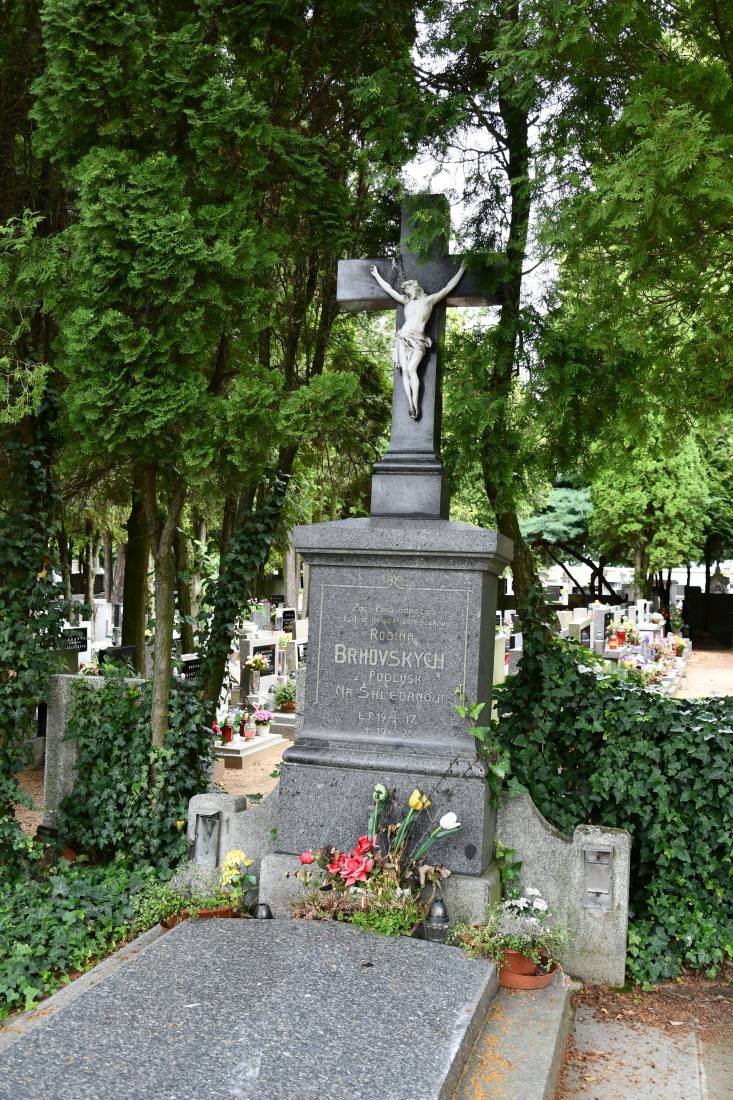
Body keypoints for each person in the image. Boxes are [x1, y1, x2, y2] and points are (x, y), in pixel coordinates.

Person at [369, 262, 466, 419]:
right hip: (403, 338)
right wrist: (376, 275)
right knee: (405, 370)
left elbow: (448, 287)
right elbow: (388, 289)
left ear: (416, 288)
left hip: (419, 341)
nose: (407, 292)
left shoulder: (429, 301)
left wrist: (462, 269)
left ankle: (416, 403)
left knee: (411, 369)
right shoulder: (406, 301)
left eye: (408, 289)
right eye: (405, 291)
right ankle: (411, 405)